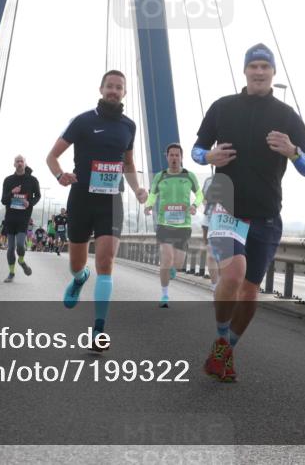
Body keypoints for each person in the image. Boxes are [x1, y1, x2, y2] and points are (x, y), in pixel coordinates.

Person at [191, 44, 305, 382]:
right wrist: (208, 158)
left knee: (249, 292)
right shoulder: (223, 107)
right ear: (245, 71)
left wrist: (293, 152)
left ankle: (223, 351)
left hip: (266, 216)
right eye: (254, 66)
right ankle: (221, 342)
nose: (259, 72)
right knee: (232, 275)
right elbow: (196, 149)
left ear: (273, 73)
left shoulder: (287, 116)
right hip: (226, 210)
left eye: (265, 67)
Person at [46, 69, 148, 351]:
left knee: (106, 264)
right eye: (110, 86)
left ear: (124, 93)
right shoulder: (83, 121)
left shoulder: (129, 126)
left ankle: (99, 332)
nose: (114, 91)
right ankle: (79, 278)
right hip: (81, 198)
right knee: (77, 263)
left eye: (119, 87)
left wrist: (138, 188)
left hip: (111, 201)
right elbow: (52, 156)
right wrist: (60, 176)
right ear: (101, 89)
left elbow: (128, 164)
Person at [144, 144, 203, 307]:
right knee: (166, 257)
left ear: (181, 157)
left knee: (177, 263)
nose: (174, 158)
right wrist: (149, 205)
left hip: (183, 226)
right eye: (171, 155)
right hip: (164, 224)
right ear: (167, 157)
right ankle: (164, 295)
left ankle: (173, 269)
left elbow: (199, 194)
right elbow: (153, 195)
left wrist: (195, 205)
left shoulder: (189, 176)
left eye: (177, 155)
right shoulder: (160, 176)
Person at [0, 155, 41, 282]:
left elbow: (38, 196)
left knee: (20, 245)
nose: (19, 163)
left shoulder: (32, 180)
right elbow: (3, 200)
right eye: (17, 161)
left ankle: (21, 260)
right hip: (10, 218)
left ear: (25, 164)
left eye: (21, 161)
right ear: (14, 164)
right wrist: (12, 192)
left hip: (23, 218)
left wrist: (30, 203)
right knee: (11, 248)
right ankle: (11, 273)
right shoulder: (8, 180)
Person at [200, 175, 221, 292]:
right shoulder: (208, 180)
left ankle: (224, 284)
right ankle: (215, 285)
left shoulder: (236, 176)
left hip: (228, 220)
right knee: (211, 253)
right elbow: (204, 199)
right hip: (209, 220)